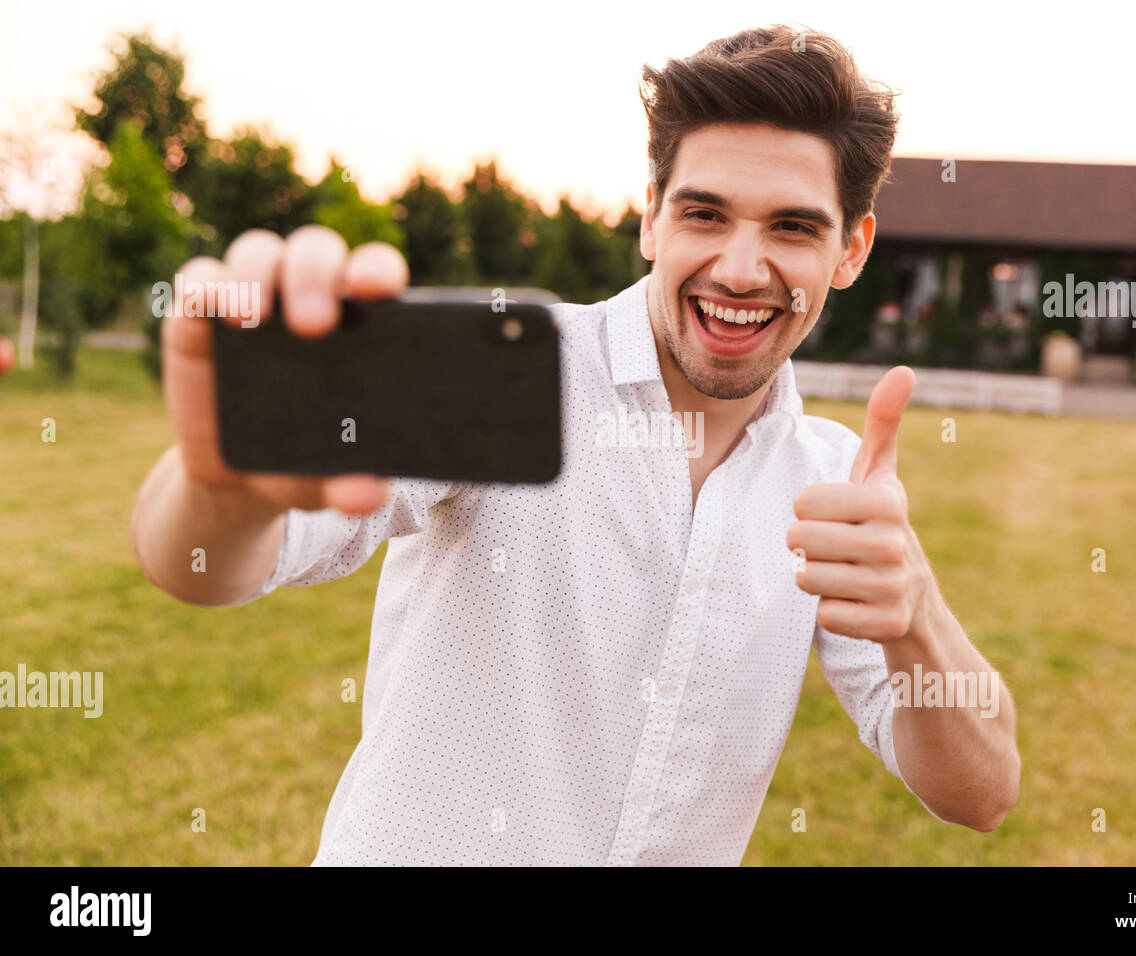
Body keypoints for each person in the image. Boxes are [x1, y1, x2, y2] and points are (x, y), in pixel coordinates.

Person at [131, 23, 1019, 865]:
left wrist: (918, 623)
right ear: (650, 220)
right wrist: (226, 485)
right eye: (705, 215)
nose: (742, 270)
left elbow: (981, 793)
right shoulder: (505, 372)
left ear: (852, 248)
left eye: (792, 227)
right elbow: (203, 567)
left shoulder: (831, 485)